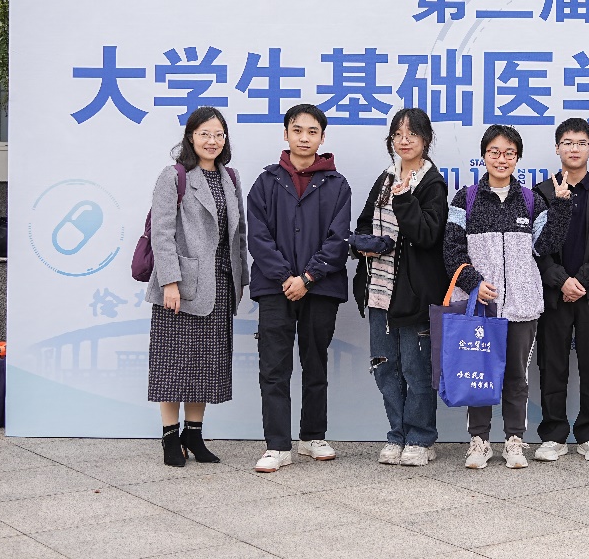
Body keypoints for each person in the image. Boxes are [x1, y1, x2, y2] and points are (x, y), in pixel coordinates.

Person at [443, 124, 572, 469]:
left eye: (509, 153)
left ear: (518, 158)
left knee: (516, 376)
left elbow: (546, 246)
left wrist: (561, 207)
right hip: (481, 304)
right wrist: (474, 283)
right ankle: (479, 441)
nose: (502, 159)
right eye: (495, 152)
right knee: (479, 373)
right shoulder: (465, 198)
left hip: (521, 305)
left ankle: (514, 440)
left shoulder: (531, 200)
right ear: (483, 156)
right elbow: (452, 250)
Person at [246, 103, 353, 473]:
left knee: (315, 361)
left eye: (312, 131)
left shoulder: (337, 185)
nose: (304, 138)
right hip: (274, 288)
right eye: (297, 130)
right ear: (286, 134)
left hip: (320, 288)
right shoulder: (266, 182)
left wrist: (307, 278)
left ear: (322, 137)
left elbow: (338, 239)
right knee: (274, 366)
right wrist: (285, 277)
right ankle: (277, 445)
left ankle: (312, 436)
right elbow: (258, 237)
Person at [146, 106, 249, 467]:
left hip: (219, 284)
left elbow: (238, 234)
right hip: (180, 286)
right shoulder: (173, 176)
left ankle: (194, 434)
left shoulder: (230, 177)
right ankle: (169, 438)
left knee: (205, 366)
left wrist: (241, 279)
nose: (212, 141)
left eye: (219, 134)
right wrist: (169, 282)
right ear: (191, 137)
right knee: (173, 365)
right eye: (205, 134)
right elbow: (161, 233)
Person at [351, 108, 449, 468]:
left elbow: (426, 234)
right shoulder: (385, 177)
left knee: (416, 369)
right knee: (385, 367)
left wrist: (405, 198)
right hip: (379, 289)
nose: (404, 140)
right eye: (397, 134)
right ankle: (397, 435)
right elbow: (365, 222)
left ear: (426, 139)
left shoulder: (432, 183)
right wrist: (362, 244)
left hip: (415, 293)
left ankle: (421, 438)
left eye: (412, 134)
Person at [532, 118, 589, 463]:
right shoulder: (540, 194)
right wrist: (561, 280)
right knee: (552, 364)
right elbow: (534, 247)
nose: (574, 149)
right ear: (557, 148)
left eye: (581, 143)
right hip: (553, 295)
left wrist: (582, 281)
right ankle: (553, 434)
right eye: (567, 143)